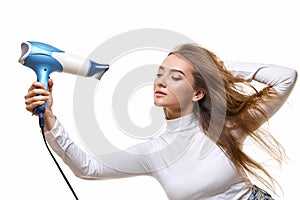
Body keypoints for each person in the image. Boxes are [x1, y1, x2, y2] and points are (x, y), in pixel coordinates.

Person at [24, 43, 297, 200]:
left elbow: (285, 77)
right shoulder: (153, 152)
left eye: (176, 77)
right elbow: (87, 168)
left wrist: (216, 69)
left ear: (198, 92)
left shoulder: (228, 128)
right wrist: (49, 118)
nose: (161, 82)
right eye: (160, 74)